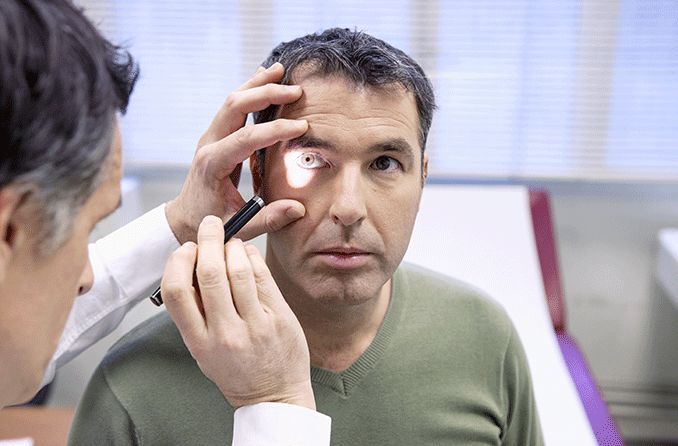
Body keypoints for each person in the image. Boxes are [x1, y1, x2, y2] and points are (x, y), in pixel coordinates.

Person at [69, 28, 544, 445]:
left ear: (422, 178)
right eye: (311, 161)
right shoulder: (135, 381)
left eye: (384, 163)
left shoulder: (485, 335)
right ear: (256, 171)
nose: (349, 209)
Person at [0, 1, 330, 444]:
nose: (85, 280)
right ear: (8, 231)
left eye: (383, 162)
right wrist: (280, 407)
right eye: (87, 229)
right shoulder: (131, 390)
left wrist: (180, 222)